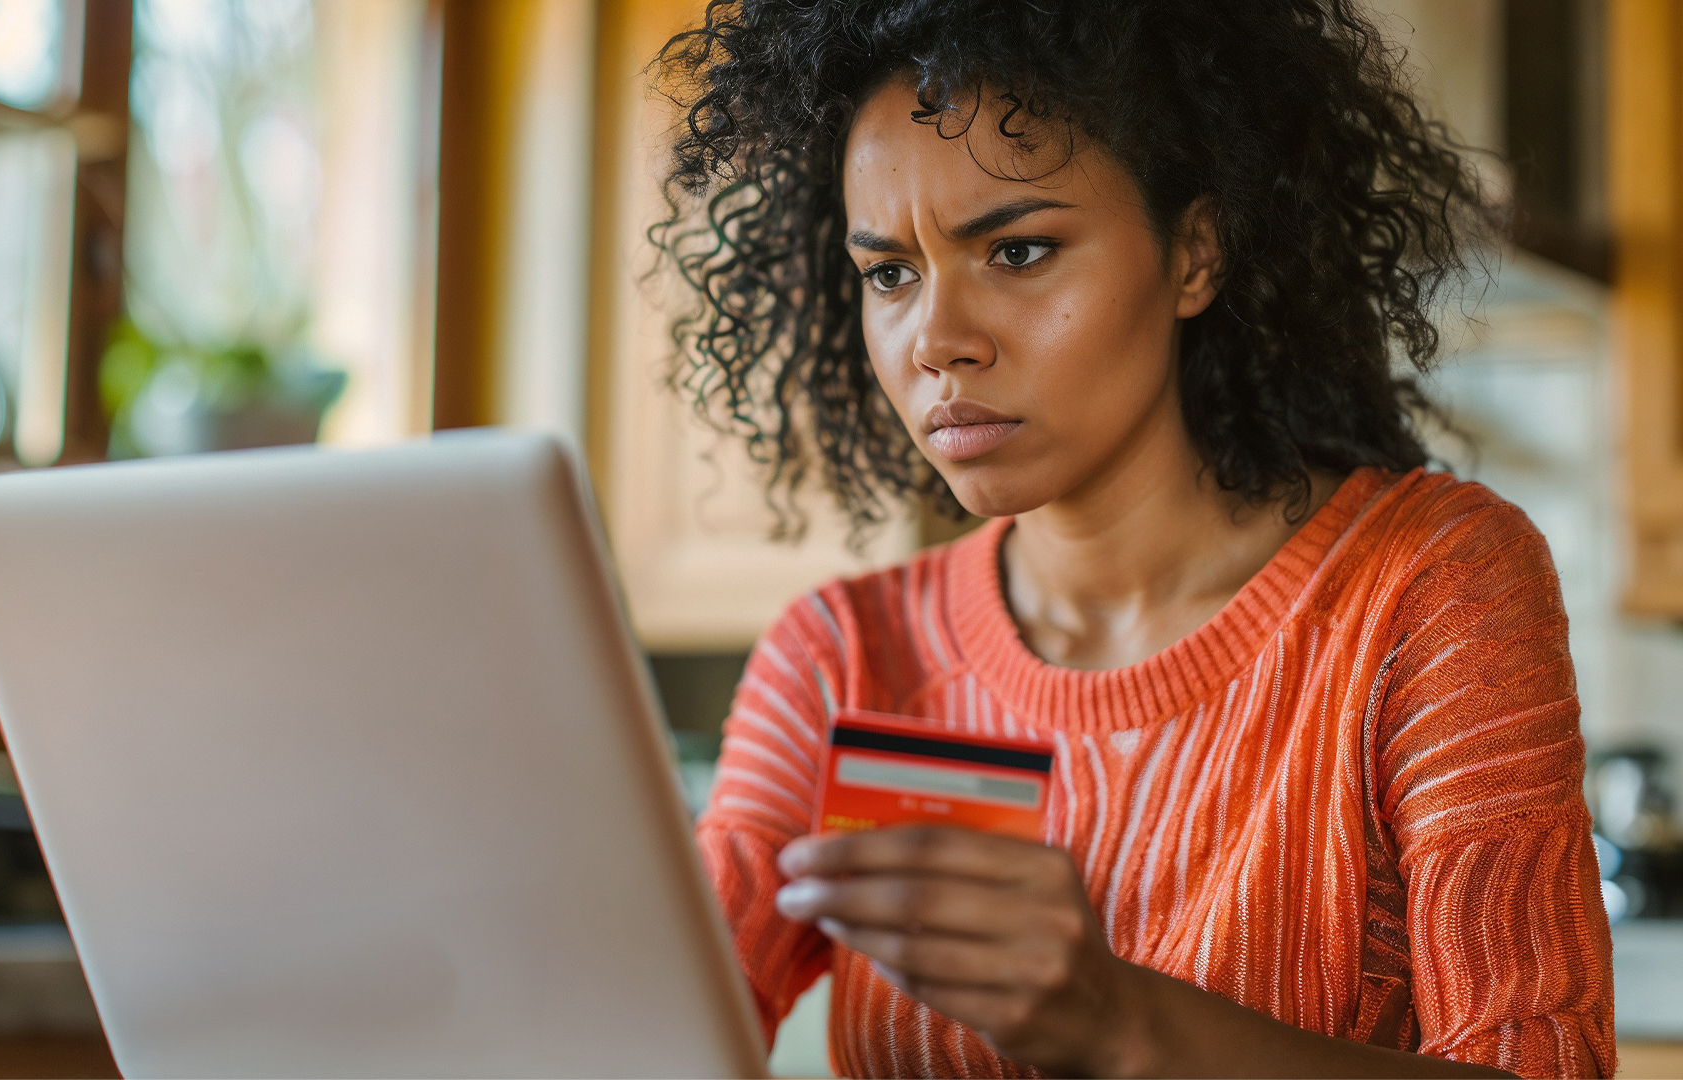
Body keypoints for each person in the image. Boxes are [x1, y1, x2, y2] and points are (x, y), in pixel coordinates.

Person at [650, 1, 1614, 1077]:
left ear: (1194, 253)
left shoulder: (1424, 585)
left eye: (1017, 250)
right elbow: (648, 1021)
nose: (937, 341)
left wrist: (1122, 1023)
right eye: (890, 272)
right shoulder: (844, 659)